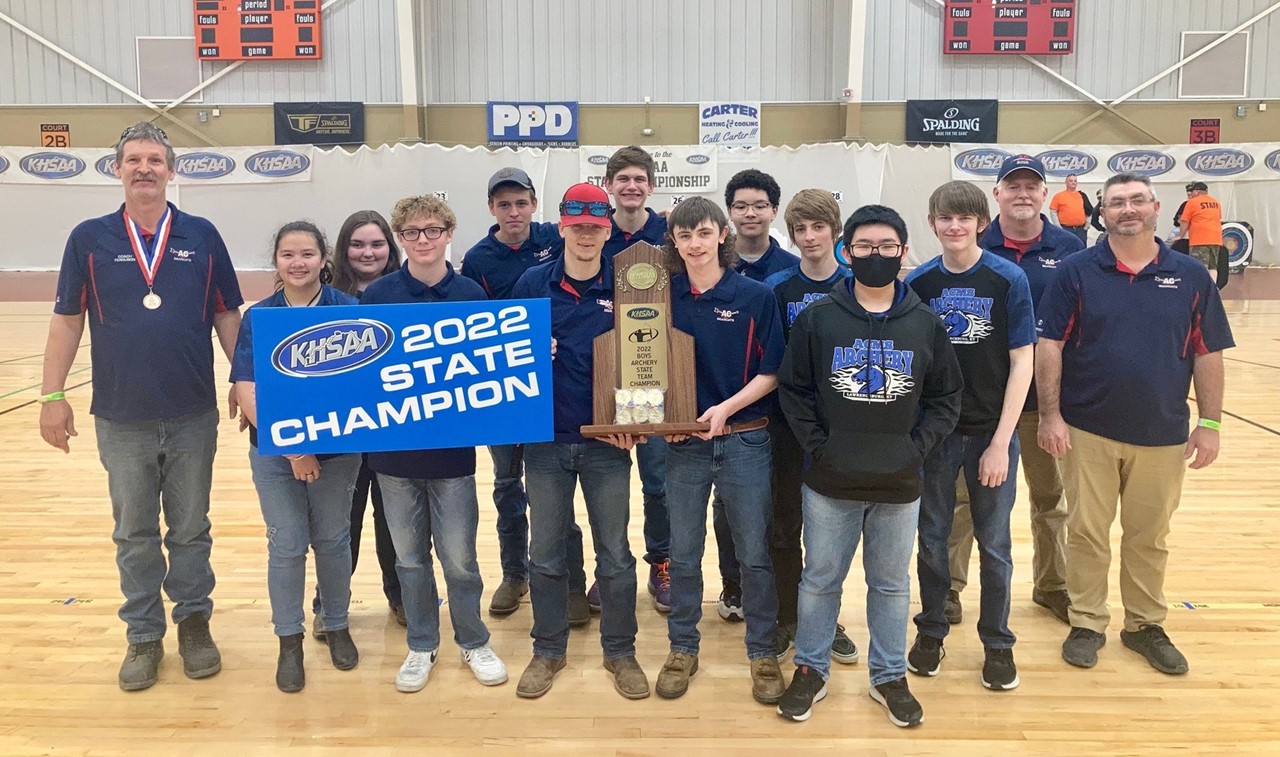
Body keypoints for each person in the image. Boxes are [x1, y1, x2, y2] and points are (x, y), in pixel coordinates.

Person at [39, 122, 243, 691]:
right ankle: (143, 634)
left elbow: (228, 313)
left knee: (189, 527)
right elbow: (65, 320)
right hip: (120, 414)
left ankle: (194, 621)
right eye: (134, 160)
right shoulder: (89, 238)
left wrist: (244, 381)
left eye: (155, 159)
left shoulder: (202, 235)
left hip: (192, 413)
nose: (145, 168)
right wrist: (52, 395)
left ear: (171, 170)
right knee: (133, 531)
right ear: (117, 169)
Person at [1038, 172, 1233, 675]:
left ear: (1155, 206)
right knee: (1086, 531)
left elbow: (1208, 353)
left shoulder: (1190, 275)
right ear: (1101, 212)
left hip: (1164, 432)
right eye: (1116, 202)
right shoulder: (1077, 271)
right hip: (1087, 428)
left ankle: (1144, 625)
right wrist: (1052, 415)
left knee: (1149, 535)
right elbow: (1050, 345)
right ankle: (1087, 621)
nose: (1128, 209)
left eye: (1137, 200)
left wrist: (1209, 423)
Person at [776, 204, 962, 726]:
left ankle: (888, 675)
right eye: (864, 247)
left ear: (903, 253)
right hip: (831, 478)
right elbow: (794, 391)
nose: (875, 256)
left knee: (890, 583)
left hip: (900, 480)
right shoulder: (818, 319)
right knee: (820, 580)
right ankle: (810, 671)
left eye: (886, 247)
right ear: (847, 252)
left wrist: (915, 447)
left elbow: (946, 398)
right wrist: (821, 445)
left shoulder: (925, 322)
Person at [510, 183, 649, 700]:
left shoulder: (631, 283)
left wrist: (634, 423)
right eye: (576, 226)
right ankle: (547, 650)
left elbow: (648, 360)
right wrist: (525, 351)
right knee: (545, 554)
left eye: (595, 227)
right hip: (545, 443)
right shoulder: (531, 282)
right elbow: (500, 353)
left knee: (614, 554)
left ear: (607, 229)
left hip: (607, 445)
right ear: (562, 226)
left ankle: (621, 652)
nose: (586, 235)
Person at [363, 195, 507, 692]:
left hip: (453, 457)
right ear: (399, 239)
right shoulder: (378, 296)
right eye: (411, 233)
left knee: (460, 559)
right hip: (392, 456)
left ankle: (473, 640)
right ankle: (421, 644)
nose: (421, 240)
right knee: (408, 559)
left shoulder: (471, 294)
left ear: (449, 233)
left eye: (431, 230)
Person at [654, 197, 786, 704]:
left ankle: (761, 652)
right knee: (684, 555)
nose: (694, 244)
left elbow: (771, 372)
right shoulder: (661, 297)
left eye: (704, 234)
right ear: (675, 242)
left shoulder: (754, 296)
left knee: (753, 554)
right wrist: (659, 419)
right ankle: (682, 647)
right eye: (684, 236)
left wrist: (726, 409)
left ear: (722, 236)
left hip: (745, 439)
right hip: (684, 446)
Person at [904, 180, 1035, 692]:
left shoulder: (1008, 279)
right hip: (936, 437)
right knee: (933, 540)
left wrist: (1002, 440)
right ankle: (932, 631)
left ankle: (998, 644)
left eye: (964, 218)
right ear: (933, 223)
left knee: (995, 545)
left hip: (990, 435)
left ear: (982, 222)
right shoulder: (920, 283)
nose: (954, 226)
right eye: (944, 217)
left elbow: (1022, 361)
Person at [947, 154, 1084, 626]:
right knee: (964, 500)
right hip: (983, 407)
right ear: (997, 194)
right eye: (1013, 185)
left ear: (1046, 194)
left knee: (1050, 500)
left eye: (1032, 186)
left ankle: (1053, 586)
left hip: (1047, 404)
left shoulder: (1070, 248)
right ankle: (949, 588)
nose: (1022, 193)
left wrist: (1058, 407)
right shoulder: (973, 244)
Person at [231, 221, 363, 692]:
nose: (298, 262)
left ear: (324, 258)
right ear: (276, 262)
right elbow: (246, 389)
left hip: (339, 453)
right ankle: (289, 641)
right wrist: (293, 448)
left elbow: (360, 387)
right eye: (288, 254)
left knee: (332, 539)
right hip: (275, 455)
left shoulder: (350, 310)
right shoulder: (259, 317)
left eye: (307, 253)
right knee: (286, 544)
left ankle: (337, 623)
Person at [460, 168, 586, 621]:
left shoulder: (557, 237)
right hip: (504, 391)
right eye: (504, 204)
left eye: (521, 203)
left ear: (535, 204)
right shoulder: (478, 259)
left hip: (558, 390)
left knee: (555, 490)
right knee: (507, 484)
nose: (514, 212)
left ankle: (570, 577)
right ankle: (515, 574)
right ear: (491, 208)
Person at [761, 189, 857, 663]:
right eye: (800, 230)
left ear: (835, 232)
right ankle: (787, 617)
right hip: (785, 425)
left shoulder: (855, 286)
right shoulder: (779, 289)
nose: (809, 237)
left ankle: (825, 617)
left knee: (830, 533)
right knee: (783, 524)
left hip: (840, 426)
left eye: (818, 227)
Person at [713, 170, 802, 625]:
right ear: (729, 212)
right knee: (727, 508)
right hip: (724, 412)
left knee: (777, 510)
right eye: (741, 205)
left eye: (759, 205)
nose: (750, 213)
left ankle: (779, 594)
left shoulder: (787, 271)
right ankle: (733, 585)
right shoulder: (710, 263)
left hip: (778, 413)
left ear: (772, 211)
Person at [312, 210, 406, 636]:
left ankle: (402, 598)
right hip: (340, 434)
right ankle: (328, 605)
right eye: (358, 244)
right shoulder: (322, 297)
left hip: (394, 429)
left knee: (396, 522)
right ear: (343, 250)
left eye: (377, 244)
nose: (367, 252)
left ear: (391, 248)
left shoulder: (406, 294)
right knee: (338, 523)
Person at [599, 146, 672, 613]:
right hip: (605, 373)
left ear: (651, 184)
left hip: (656, 371)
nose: (631, 185)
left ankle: (661, 562)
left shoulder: (669, 231)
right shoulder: (592, 231)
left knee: (658, 479)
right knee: (607, 481)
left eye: (639, 178)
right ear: (609, 185)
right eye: (622, 178)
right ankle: (612, 569)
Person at [1178, 181, 1224, 280]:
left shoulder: (1192, 202)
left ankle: (1200, 289)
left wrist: (1180, 235)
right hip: (1216, 239)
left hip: (1200, 239)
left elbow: (1185, 221)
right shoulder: (1216, 202)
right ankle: (1212, 288)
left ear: (1196, 192)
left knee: (1199, 266)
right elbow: (1218, 218)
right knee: (1213, 266)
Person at [1048, 174, 1093, 245]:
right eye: (1071, 181)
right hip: (1065, 229)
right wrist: (1058, 227)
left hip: (1081, 230)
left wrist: (1087, 225)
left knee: (1082, 250)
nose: (1073, 182)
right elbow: (1053, 212)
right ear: (1066, 182)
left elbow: (1089, 210)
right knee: (1066, 250)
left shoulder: (1082, 195)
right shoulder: (1058, 196)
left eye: (1075, 181)